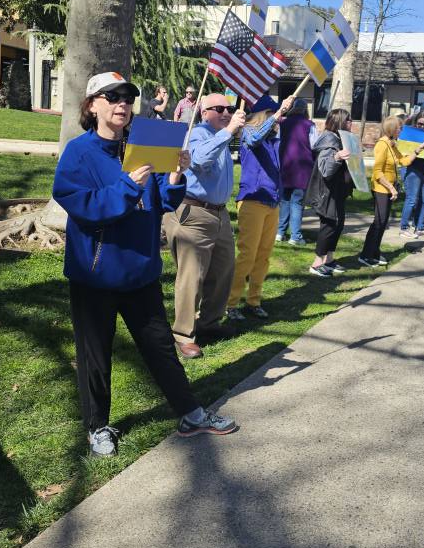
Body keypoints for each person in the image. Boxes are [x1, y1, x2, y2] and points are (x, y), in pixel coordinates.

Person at [52, 72, 236, 457]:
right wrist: (128, 186)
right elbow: (84, 207)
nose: (122, 103)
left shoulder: (143, 145)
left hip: (141, 272)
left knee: (161, 350)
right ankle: (97, 425)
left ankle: (191, 412)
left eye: (128, 97)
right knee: (96, 356)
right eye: (112, 96)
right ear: (92, 105)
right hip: (96, 276)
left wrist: (174, 178)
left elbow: (163, 202)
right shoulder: (78, 152)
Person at [163, 93, 247, 358]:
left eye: (229, 108)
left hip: (219, 215)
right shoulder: (197, 133)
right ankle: (183, 335)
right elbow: (198, 160)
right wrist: (230, 130)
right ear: (203, 111)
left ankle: (209, 323)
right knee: (192, 277)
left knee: (223, 271)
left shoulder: (221, 135)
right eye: (219, 108)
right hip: (193, 213)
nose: (226, 112)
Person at [227, 94, 294, 320]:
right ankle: (231, 303)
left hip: (272, 202)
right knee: (247, 255)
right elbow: (255, 138)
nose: (279, 120)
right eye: (273, 115)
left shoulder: (275, 139)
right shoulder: (248, 133)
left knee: (263, 256)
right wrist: (278, 112)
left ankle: (254, 301)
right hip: (253, 200)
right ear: (263, 115)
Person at [359, 116, 422, 266]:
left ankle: (374, 251)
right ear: (392, 129)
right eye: (400, 128)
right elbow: (377, 172)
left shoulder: (392, 144)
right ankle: (366, 255)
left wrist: (417, 151)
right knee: (378, 222)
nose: (401, 130)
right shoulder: (382, 144)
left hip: (388, 189)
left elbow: (404, 161)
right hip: (382, 189)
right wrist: (392, 188)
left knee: (382, 222)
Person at [306, 108, 354, 277]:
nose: (351, 123)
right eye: (348, 120)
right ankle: (317, 263)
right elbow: (325, 169)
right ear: (340, 122)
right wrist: (337, 158)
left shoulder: (338, 138)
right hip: (327, 191)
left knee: (338, 224)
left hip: (337, 191)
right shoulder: (329, 140)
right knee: (329, 224)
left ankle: (329, 259)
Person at [277, 96, 317, 246]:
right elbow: (314, 146)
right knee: (297, 202)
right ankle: (295, 236)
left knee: (285, 200)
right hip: (302, 168)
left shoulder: (282, 123)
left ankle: (280, 233)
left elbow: (277, 141)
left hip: (285, 165)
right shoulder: (309, 125)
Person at [399, 108, 424, 239]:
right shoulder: (409, 132)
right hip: (413, 169)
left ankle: (420, 227)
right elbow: (403, 150)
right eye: (419, 123)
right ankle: (404, 227)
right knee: (412, 199)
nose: (421, 126)